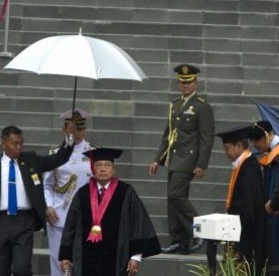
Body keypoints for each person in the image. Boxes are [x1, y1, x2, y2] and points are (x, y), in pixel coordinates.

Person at [0, 125, 74, 276]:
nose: (19, 147)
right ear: (3, 143)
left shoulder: (31, 160)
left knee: (22, 269)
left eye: (21, 143)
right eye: (14, 143)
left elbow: (57, 159)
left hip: (24, 223)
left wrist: (69, 139)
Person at [59, 147, 161, 276]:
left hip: (116, 260)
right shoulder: (82, 194)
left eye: (107, 165)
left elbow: (137, 224)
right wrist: (65, 256)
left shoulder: (125, 192)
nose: (103, 169)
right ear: (93, 169)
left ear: (113, 169)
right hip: (86, 260)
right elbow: (70, 226)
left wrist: (135, 257)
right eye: (98, 165)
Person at [149, 64, 215, 254]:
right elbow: (168, 135)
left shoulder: (202, 107)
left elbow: (206, 138)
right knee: (173, 198)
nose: (185, 85)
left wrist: (202, 164)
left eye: (189, 82)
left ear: (196, 83)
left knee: (176, 194)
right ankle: (179, 240)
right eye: (182, 82)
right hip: (174, 158)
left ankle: (199, 231)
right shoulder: (175, 105)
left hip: (189, 159)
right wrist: (157, 160)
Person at [43, 108, 98, 276]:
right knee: (59, 262)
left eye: (80, 128)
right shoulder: (54, 154)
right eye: (72, 128)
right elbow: (47, 185)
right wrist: (49, 206)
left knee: (85, 262)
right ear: (64, 129)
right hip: (59, 215)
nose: (77, 132)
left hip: (85, 217)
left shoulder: (94, 154)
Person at [205, 126, 266, 276]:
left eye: (227, 148)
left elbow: (249, 206)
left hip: (246, 231)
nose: (226, 152)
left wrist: (235, 231)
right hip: (237, 225)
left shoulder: (250, 167)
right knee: (209, 236)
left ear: (239, 146)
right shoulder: (242, 164)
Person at [246, 120, 279, 273]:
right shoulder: (272, 155)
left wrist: (274, 203)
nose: (254, 145)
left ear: (265, 137)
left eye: (255, 141)